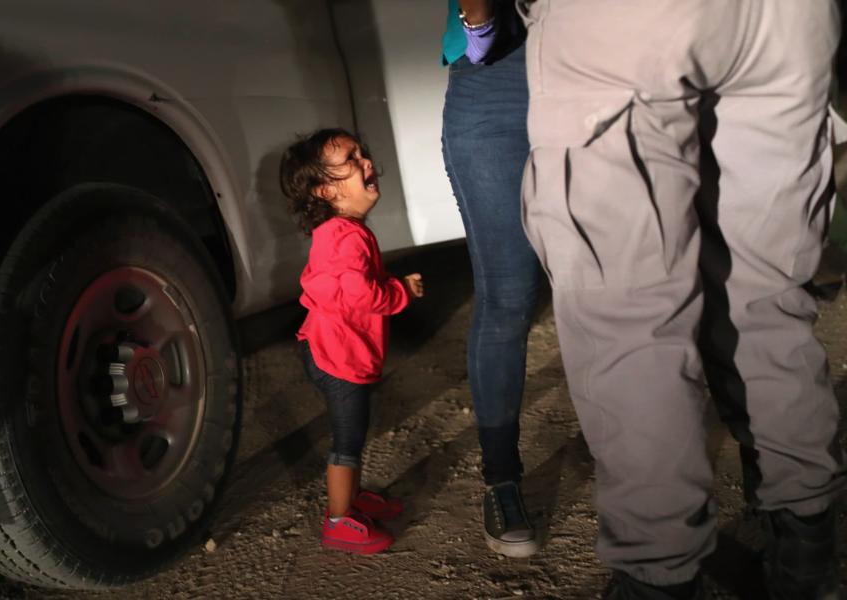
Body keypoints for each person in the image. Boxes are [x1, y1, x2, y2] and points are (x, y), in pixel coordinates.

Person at [515, 0, 845, 598]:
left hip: (627, 23)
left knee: (630, 316)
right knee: (768, 293)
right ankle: (807, 553)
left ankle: (660, 573)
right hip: (793, 19)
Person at [280, 128, 425, 554]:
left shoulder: (337, 232)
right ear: (326, 190)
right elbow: (363, 297)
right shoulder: (349, 238)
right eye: (351, 158)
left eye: (363, 153)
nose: (366, 161)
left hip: (326, 346)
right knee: (348, 440)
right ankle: (339, 521)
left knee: (354, 434)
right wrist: (401, 292)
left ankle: (352, 498)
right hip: (337, 357)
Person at [441, 0, 545, 557]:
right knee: (508, 295)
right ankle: (501, 478)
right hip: (498, 85)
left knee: (605, 286)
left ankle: (641, 482)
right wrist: (479, 25)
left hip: (591, 67)